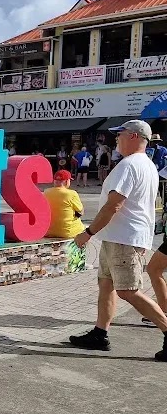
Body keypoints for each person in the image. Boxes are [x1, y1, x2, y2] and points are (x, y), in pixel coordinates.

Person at [72, 120, 167, 360]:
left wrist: (88, 233)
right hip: (119, 237)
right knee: (106, 285)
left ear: (134, 136)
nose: (116, 139)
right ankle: (99, 334)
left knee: (128, 291)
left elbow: (114, 205)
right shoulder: (147, 165)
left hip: (124, 239)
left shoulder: (129, 165)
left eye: (119, 135)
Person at [44, 170, 84, 238]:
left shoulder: (46, 192)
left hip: (48, 231)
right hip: (66, 232)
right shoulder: (71, 194)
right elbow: (81, 211)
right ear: (66, 181)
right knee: (83, 228)